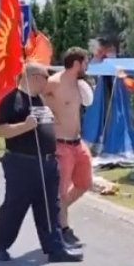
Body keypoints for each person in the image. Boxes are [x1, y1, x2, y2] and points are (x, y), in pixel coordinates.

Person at [0, 62, 83, 263]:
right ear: (32, 77)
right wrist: (25, 126)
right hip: (22, 164)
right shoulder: (13, 100)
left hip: (47, 162)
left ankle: (55, 249)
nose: (47, 81)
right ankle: (0, 246)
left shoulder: (39, 100)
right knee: (15, 207)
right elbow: (0, 130)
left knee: (50, 207)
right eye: (45, 77)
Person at [44, 47, 94, 247]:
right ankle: (63, 228)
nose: (87, 66)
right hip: (61, 145)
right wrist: (46, 114)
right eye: (85, 62)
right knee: (61, 191)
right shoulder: (54, 83)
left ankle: (57, 212)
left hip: (77, 143)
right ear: (77, 63)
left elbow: (87, 103)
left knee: (85, 183)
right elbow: (36, 97)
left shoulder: (79, 85)